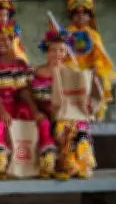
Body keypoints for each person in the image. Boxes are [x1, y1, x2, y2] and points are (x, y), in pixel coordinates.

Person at [0, 22, 55, 178]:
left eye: (5, 39)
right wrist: (2, 112)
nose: (1, 43)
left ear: (12, 40)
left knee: (41, 121)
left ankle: (44, 162)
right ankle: (1, 166)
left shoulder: (21, 64)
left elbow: (25, 91)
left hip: (16, 103)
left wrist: (35, 111)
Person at [32, 29, 96, 179]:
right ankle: (59, 164)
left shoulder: (72, 72)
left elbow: (78, 98)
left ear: (67, 53)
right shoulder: (36, 72)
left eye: (62, 50)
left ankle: (74, 165)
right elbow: (28, 96)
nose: (57, 54)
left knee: (73, 125)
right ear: (46, 51)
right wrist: (36, 110)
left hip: (64, 114)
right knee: (56, 125)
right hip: (44, 113)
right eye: (53, 50)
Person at [64, 0, 116, 119]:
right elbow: (62, 55)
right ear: (72, 16)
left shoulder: (93, 35)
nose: (80, 17)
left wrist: (96, 66)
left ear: (89, 16)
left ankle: (92, 111)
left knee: (99, 79)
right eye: (77, 13)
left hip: (90, 72)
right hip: (71, 73)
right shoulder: (66, 34)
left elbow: (100, 56)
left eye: (84, 13)